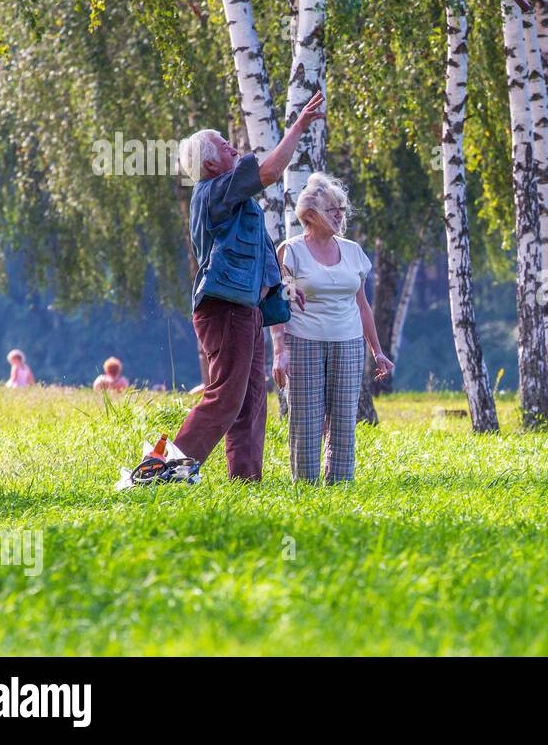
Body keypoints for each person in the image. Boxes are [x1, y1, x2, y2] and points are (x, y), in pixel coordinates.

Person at [165, 90, 324, 482]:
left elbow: (259, 256)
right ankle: (167, 468)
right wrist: (299, 127)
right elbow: (269, 172)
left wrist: (285, 286)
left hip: (245, 308)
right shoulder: (215, 190)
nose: (233, 148)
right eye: (224, 145)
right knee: (226, 396)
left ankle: (246, 481)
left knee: (250, 401)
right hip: (224, 308)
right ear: (209, 162)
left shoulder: (237, 202)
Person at [271, 173, 394, 485]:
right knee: (306, 420)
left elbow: (363, 305)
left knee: (343, 421)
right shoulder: (291, 251)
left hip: (348, 343)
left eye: (342, 209)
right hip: (303, 342)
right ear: (310, 215)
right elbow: (280, 301)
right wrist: (279, 352)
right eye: (332, 210)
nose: (340, 215)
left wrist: (377, 351)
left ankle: (339, 484)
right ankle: (306, 486)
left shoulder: (353, 251)